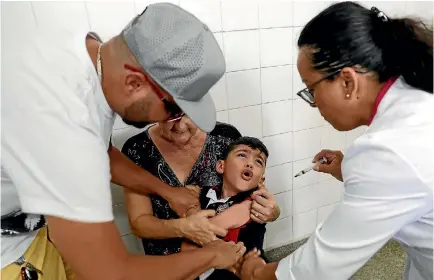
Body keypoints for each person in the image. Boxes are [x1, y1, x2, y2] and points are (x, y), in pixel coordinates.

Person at [2, 3, 246, 280]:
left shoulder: (84, 52)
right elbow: (113, 273)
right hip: (9, 252)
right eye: (174, 109)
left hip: (39, 226)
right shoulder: (61, 127)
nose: (178, 121)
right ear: (134, 83)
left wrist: (168, 192)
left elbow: (101, 151)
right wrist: (213, 255)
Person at [240, 2, 433, 280]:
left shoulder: (390, 150)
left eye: (311, 90)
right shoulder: (414, 94)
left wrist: (256, 273)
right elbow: (408, 184)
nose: (313, 103)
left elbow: (316, 269)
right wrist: (348, 169)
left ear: (347, 82)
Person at [122, 117, 280, 256]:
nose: (181, 126)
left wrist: (272, 211)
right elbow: (139, 223)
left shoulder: (225, 136)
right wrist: (183, 226)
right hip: (169, 268)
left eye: (187, 114)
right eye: (170, 116)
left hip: (225, 266)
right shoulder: (137, 150)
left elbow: (252, 189)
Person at [181, 136, 270, 280]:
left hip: (241, 271)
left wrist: (188, 233)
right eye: (242, 155)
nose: (250, 163)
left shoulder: (254, 203)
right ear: (221, 166)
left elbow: (203, 231)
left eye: (258, 161)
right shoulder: (205, 192)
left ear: (261, 180)